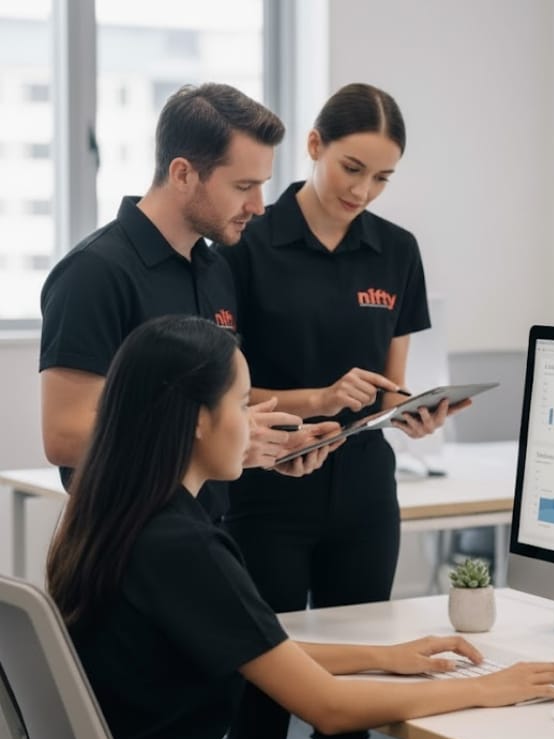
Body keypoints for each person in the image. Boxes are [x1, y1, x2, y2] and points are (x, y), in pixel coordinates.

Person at [45, 315, 554, 739]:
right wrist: (488, 689)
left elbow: (257, 645)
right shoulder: (184, 544)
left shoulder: (110, 515)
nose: (255, 419)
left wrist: (387, 655)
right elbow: (328, 707)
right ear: (197, 421)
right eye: (241, 403)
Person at [215, 82, 468, 739]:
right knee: (263, 691)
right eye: (352, 168)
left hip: (362, 495)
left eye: (382, 177)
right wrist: (317, 397)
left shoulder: (396, 250)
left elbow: (391, 384)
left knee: (357, 692)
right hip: (266, 487)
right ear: (315, 146)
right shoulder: (249, 241)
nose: (364, 190)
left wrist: (414, 412)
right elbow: (223, 394)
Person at [39, 83, 336, 520]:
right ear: (182, 174)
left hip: (203, 531)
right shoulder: (93, 273)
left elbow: (205, 410)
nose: (258, 206)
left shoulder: (215, 269)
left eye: (262, 186)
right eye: (243, 186)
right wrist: (224, 440)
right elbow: (65, 437)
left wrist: (265, 446)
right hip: (126, 545)